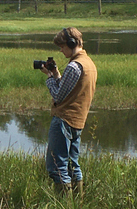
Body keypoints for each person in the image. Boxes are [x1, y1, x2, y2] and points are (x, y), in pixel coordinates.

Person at [39, 27, 97, 196]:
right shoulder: (89, 64)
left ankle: (63, 206)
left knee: (57, 165)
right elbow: (69, 90)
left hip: (64, 120)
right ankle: (77, 203)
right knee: (73, 163)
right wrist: (57, 75)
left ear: (72, 43)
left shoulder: (74, 66)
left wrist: (49, 78)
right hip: (78, 120)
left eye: (62, 46)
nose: (61, 50)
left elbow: (58, 96)